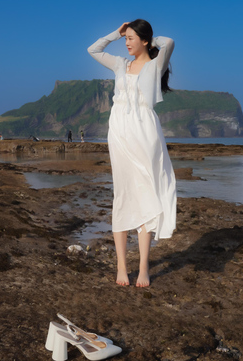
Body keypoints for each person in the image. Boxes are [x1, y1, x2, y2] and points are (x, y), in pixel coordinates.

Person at [88, 19, 176, 287]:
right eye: (125, 39)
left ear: (145, 41)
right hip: (119, 133)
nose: (126, 43)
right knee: (123, 194)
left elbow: (169, 42)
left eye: (131, 39)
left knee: (147, 194)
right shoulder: (119, 64)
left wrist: (151, 41)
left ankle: (144, 268)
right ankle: (122, 268)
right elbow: (93, 49)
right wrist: (117, 32)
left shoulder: (155, 65)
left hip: (145, 134)